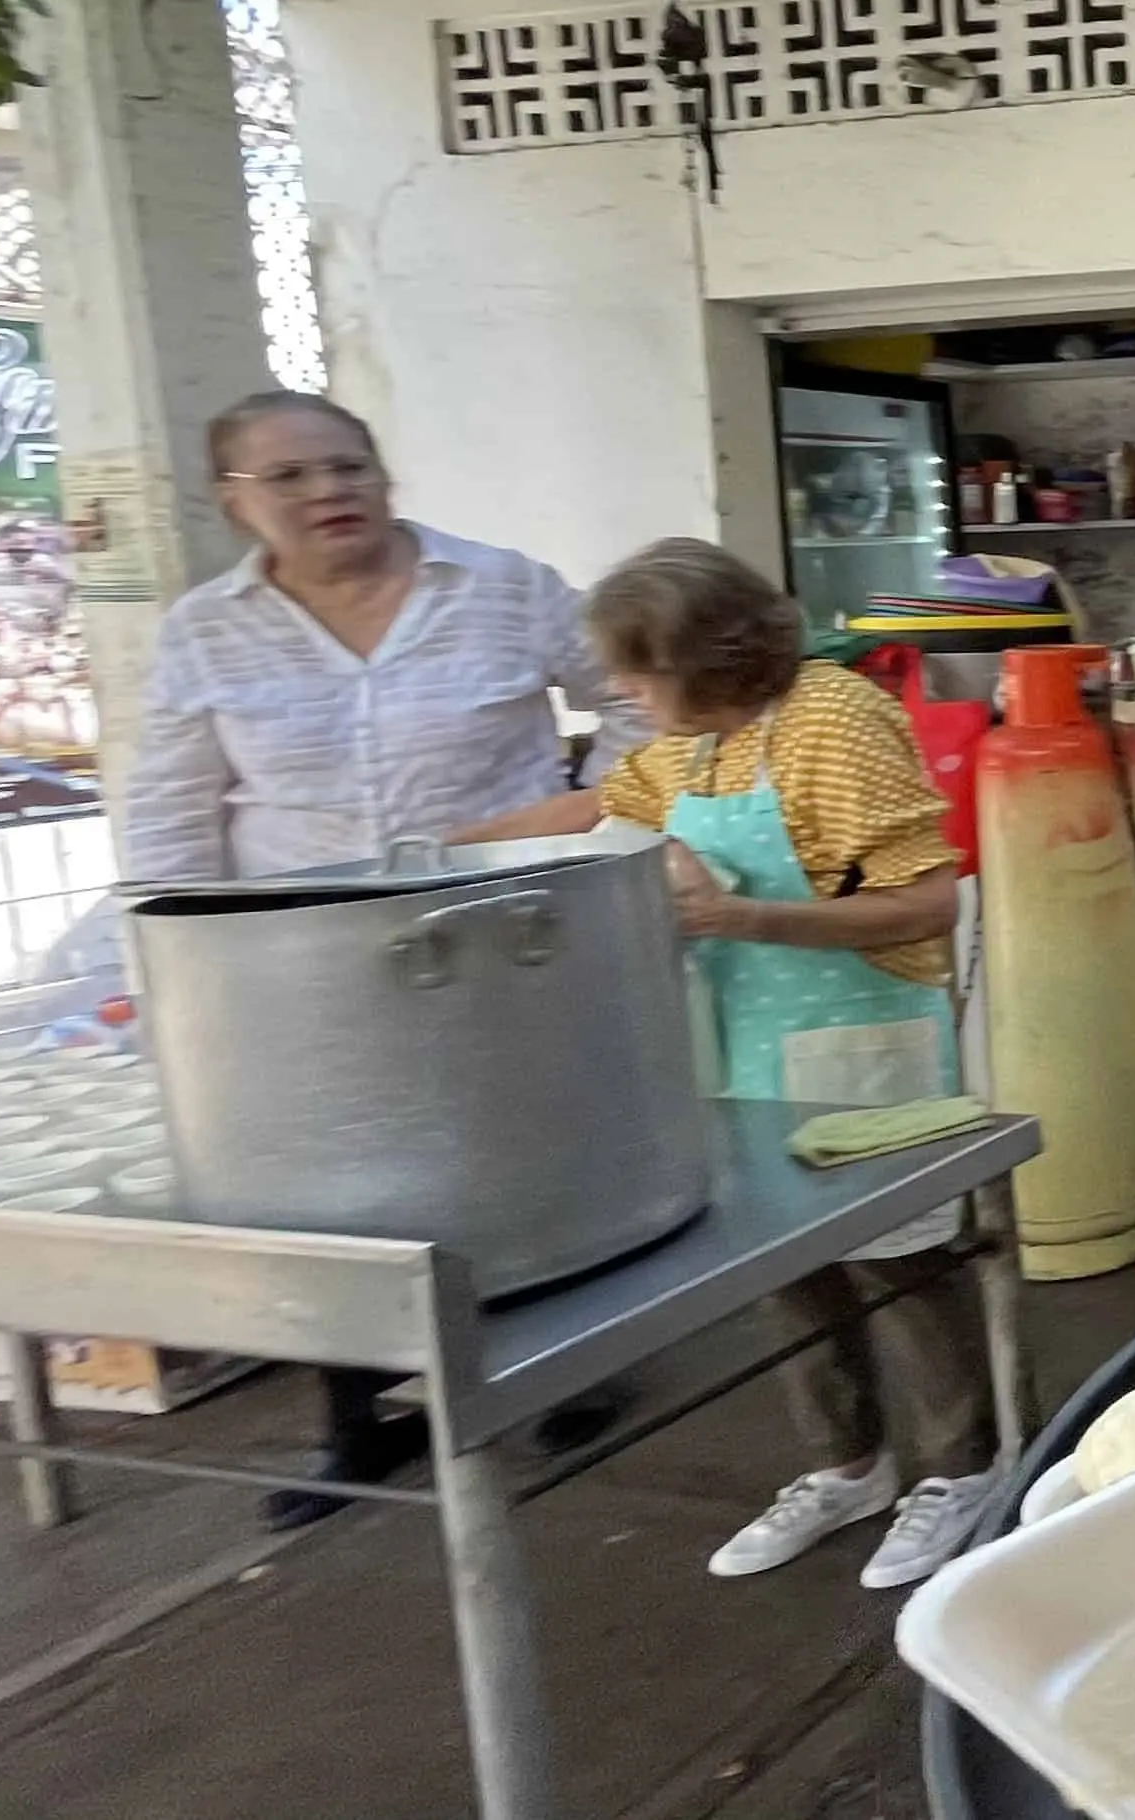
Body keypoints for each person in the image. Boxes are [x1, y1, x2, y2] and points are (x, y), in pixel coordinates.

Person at [117, 391, 649, 1525]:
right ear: (235, 502)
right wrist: (169, 960)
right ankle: (357, 1417)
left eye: (348, 466)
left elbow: (637, 697)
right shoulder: (204, 629)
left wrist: (581, 809)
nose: (329, 493)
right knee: (325, 1182)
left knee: (522, 1145)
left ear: (384, 474)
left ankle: (554, 1373)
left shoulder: (502, 586)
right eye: (292, 477)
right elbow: (171, 803)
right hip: (293, 948)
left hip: (502, 922)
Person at [471, 538, 998, 1588]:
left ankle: (966, 1469)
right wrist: (433, 854)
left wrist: (738, 914)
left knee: (899, 1262)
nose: (618, 688)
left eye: (636, 668)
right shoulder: (685, 749)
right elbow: (599, 810)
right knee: (785, 1266)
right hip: (743, 1042)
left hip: (860, 1035)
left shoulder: (834, 724)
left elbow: (934, 901)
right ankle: (846, 1465)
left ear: (707, 658)